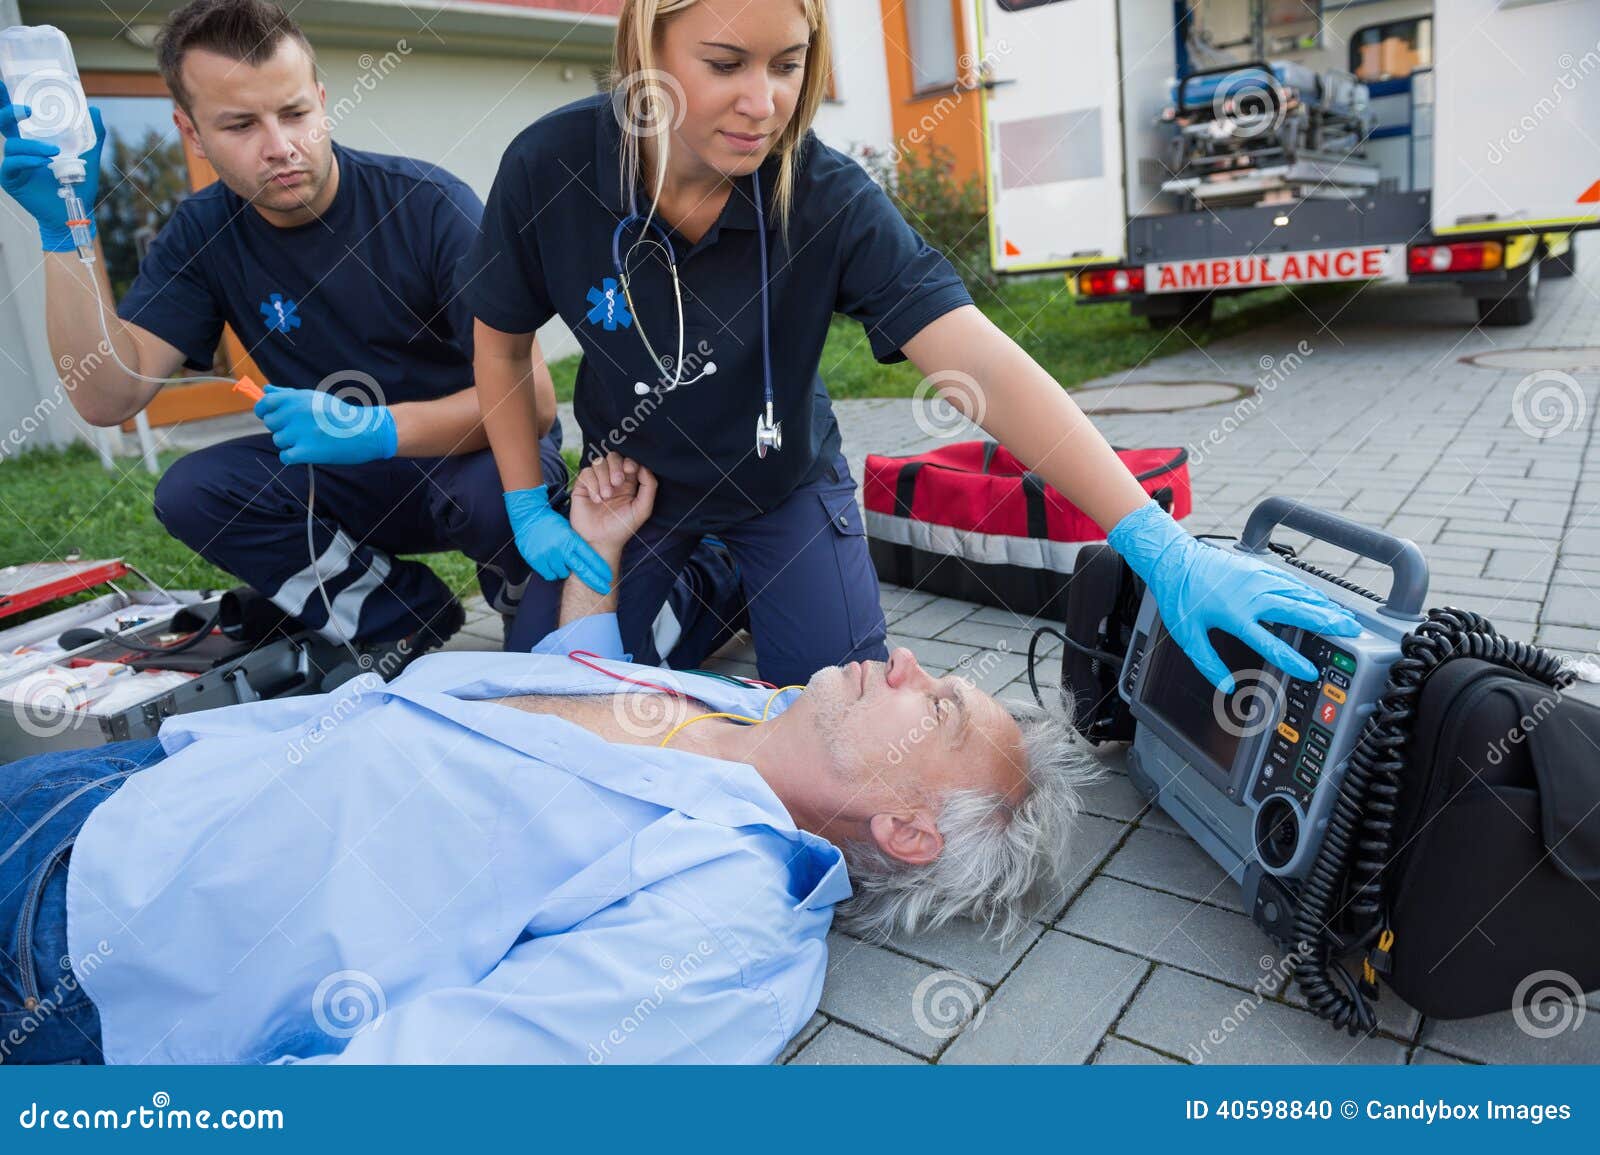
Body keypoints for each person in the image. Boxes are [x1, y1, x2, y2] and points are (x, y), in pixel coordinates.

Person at [0, 453, 1094, 1066]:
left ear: (905, 829)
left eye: (937, 707)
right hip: (150, 782)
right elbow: (576, 676)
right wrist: (604, 550)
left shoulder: (724, 925)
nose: (906, 658)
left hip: (92, 940)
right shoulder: (743, 714)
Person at [462, 0, 1364, 692]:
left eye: (788, 64)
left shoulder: (823, 196)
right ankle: (711, 584)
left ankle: (759, 574)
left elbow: (980, 364)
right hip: (636, 492)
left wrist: (1154, 540)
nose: (763, 102)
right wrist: (525, 506)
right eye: (725, 63)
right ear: (647, 49)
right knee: (546, 682)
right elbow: (501, 350)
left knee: (837, 710)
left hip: (782, 485)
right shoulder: (552, 168)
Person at [0, 0, 570, 654]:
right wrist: (67, 227)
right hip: (342, 474)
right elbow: (106, 397)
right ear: (192, 134)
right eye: (240, 124)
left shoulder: (425, 205)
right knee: (193, 492)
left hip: (466, 459)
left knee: (503, 500)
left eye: (295, 113)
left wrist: (376, 428)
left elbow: (535, 402)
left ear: (322, 102)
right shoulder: (203, 230)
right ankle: (397, 619)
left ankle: (524, 608)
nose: (280, 147)